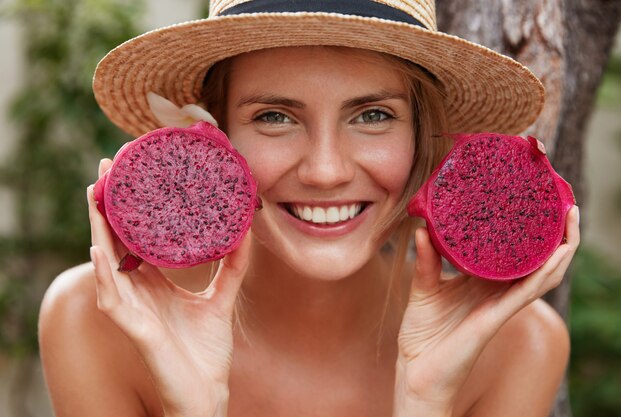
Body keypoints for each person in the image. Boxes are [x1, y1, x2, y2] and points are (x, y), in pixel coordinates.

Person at [38, 1, 579, 416]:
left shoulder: (518, 346)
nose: (326, 170)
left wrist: (424, 399)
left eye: (372, 116)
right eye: (275, 116)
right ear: (212, 135)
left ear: (422, 138)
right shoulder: (97, 321)